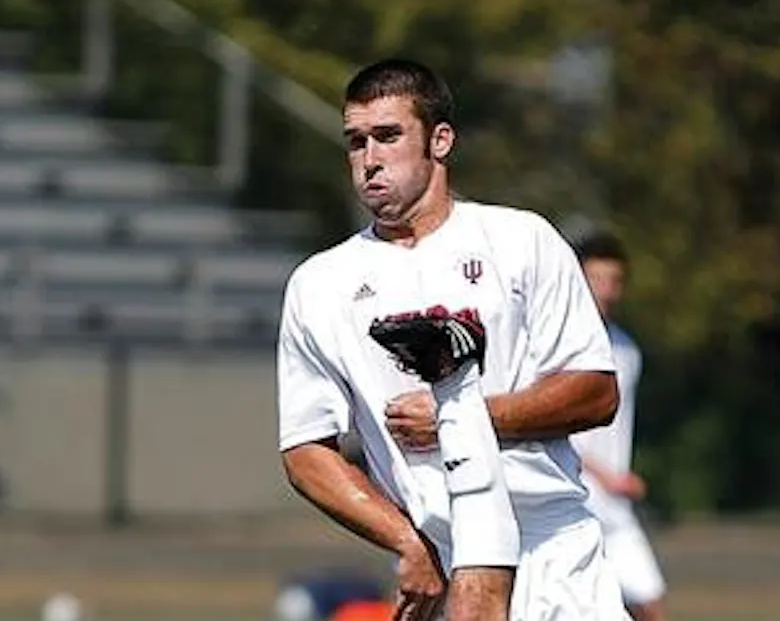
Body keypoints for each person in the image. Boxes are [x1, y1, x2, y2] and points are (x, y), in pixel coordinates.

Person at [276, 58, 629, 620]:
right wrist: (404, 541)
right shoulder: (320, 285)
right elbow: (304, 450)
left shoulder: (521, 241)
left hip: (552, 549)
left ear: (439, 140)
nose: (369, 159)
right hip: (443, 559)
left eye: (388, 137)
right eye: (355, 141)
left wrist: (462, 419)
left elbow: (596, 393)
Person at [570, 232, 668, 621]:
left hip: (615, 504)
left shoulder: (627, 349)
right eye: (596, 279)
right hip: (574, 497)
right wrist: (603, 474)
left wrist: (619, 477)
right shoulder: (561, 344)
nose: (606, 291)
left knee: (650, 604)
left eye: (614, 281)